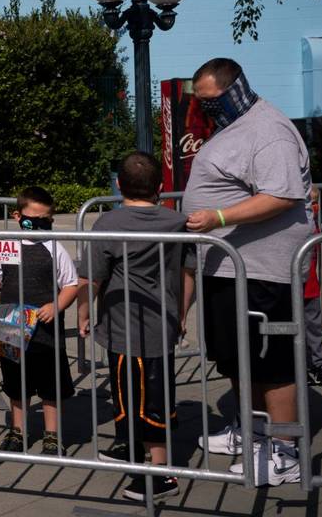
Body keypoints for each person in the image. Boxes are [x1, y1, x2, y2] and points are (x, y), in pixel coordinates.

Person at [183, 58, 311, 487]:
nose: (204, 110)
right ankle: (252, 433)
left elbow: (282, 194)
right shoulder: (236, 127)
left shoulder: (268, 130)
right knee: (239, 356)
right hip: (230, 266)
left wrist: (219, 216)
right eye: (199, 102)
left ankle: (285, 452)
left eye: (210, 101)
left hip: (261, 269)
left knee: (269, 361)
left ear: (234, 88)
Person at [78, 152, 194, 502]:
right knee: (131, 391)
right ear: (160, 187)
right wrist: (183, 313)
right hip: (156, 322)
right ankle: (129, 447)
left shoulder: (107, 223)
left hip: (124, 324)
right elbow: (188, 274)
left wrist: (83, 312)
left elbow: (92, 278)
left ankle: (162, 473)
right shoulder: (177, 221)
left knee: (148, 398)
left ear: (118, 185)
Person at [0, 186, 77, 455]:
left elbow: (71, 284)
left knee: (50, 386)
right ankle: (18, 431)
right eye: (35, 220)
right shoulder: (5, 246)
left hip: (46, 333)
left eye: (46, 220)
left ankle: (52, 435)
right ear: (18, 216)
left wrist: (57, 305)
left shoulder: (55, 247)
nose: (41, 225)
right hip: (11, 329)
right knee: (16, 385)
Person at [302, 187, 322, 387]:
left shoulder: (315, 228)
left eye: (316, 203)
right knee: (294, 329)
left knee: (313, 327)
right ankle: (301, 366)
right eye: (310, 203)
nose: (314, 207)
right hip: (290, 288)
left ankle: (320, 364)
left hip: (310, 288)